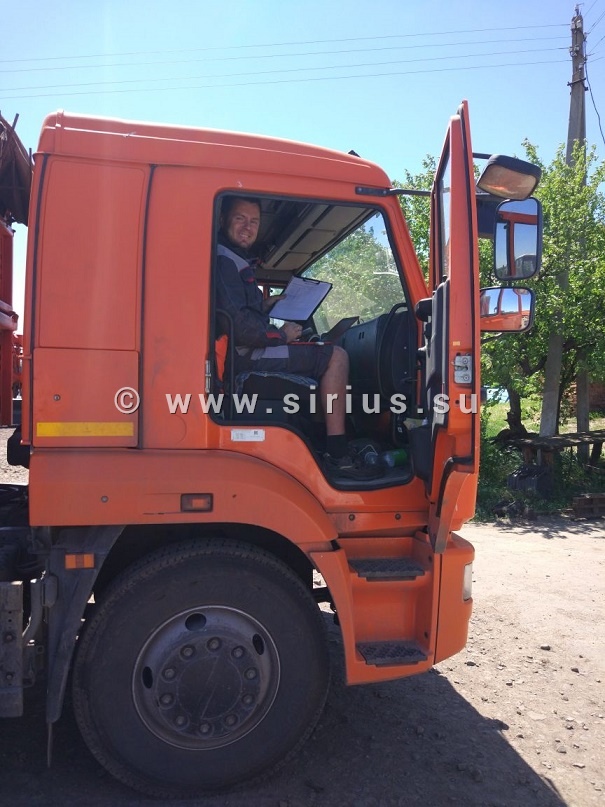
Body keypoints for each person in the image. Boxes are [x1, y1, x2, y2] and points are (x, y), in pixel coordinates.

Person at [215, 196, 381, 481]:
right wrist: (281, 335)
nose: (247, 227)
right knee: (336, 356)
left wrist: (265, 306)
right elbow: (239, 327)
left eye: (254, 221)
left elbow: (239, 312)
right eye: (240, 218)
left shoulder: (233, 259)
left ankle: (317, 440)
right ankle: (337, 453)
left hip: (246, 351)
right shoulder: (225, 261)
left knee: (319, 350)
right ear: (223, 220)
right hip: (244, 357)